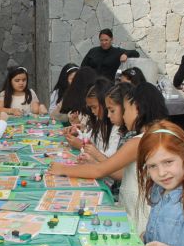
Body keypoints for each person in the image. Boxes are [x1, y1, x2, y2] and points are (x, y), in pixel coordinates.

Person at [49, 82, 168, 234]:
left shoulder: (138, 141)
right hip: (141, 206)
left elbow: (100, 170)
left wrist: (63, 169)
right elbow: (123, 173)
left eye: (126, 110)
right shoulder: (154, 135)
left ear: (137, 108)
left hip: (140, 211)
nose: (124, 115)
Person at [65, 76, 121, 161]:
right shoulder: (99, 121)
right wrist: (77, 134)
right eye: (90, 108)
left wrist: (82, 145)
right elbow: (89, 138)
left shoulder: (117, 128)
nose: (92, 112)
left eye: (94, 107)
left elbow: (110, 159)